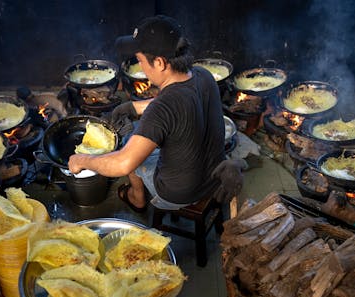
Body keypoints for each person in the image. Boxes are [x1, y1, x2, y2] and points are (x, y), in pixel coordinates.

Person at [68, 15, 242, 212]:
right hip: (213, 177)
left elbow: (123, 164)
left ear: (159, 63)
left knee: (127, 143)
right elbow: (176, 106)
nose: (140, 66)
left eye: (140, 60)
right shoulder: (204, 76)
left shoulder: (163, 108)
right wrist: (131, 107)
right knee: (140, 138)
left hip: (178, 194)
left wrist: (81, 160)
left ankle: (137, 198)